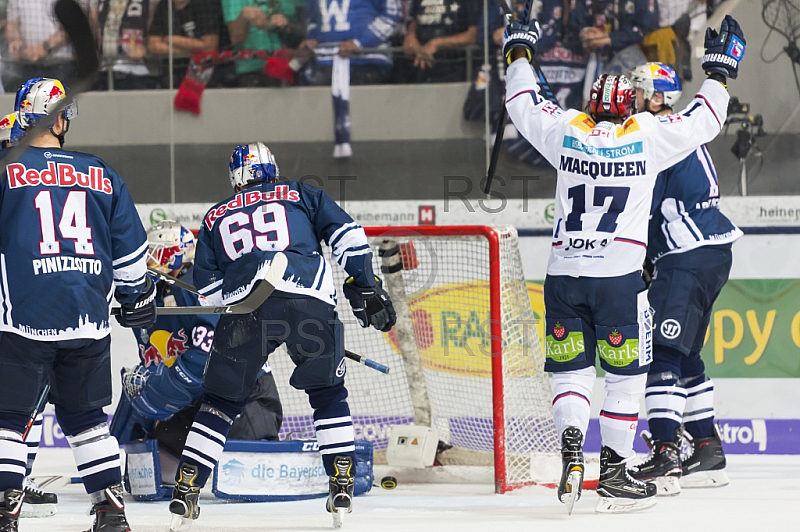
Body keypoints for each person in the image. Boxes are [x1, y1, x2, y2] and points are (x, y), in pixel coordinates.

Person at [501, 14, 745, 513]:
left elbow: (522, 103)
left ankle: (572, 449)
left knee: (569, 373)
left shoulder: (566, 131)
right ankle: (612, 472)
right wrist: (719, 71)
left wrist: (519, 51)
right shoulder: (649, 136)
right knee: (626, 378)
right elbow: (706, 120)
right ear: (629, 106)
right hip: (619, 281)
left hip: (562, 276)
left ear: (590, 104)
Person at [166, 142, 396, 530]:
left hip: (246, 307)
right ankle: (340, 476)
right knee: (327, 392)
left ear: (237, 177)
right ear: (272, 169)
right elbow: (348, 234)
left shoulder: (214, 216)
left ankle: (187, 485)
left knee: (220, 403)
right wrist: (364, 281)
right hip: (308, 298)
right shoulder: (304, 193)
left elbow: (210, 291)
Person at [0, 77, 157, 530]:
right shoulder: (100, 172)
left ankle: (5, 507)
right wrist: (136, 298)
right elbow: (129, 255)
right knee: (86, 418)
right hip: (88, 319)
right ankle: (110, 511)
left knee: (8, 416)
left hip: (22, 317)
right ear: (61, 118)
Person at [627, 62, 739, 495]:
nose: (630, 100)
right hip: (710, 250)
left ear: (653, 96)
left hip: (686, 252)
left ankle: (666, 456)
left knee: (662, 355)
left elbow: (639, 204)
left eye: (637, 92)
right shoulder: (680, 126)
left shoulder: (653, 134)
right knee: (686, 354)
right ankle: (707, 448)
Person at [111, 220, 283, 461]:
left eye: (153, 253)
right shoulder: (153, 299)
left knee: (253, 462)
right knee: (160, 462)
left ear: (174, 255)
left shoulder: (198, 285)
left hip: (243, 393)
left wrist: (166, 388)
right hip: (196, 398)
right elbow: (155, 363)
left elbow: (209, 355)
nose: (147, 262)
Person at [301, 0, 401, 85]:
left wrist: (360, 43)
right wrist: (312, 38)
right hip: (323, 64)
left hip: (368, 61)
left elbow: (391, 17)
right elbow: (312, 19)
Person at [222, 0, 306, 87]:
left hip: (290, 68)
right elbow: (236, 38)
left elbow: (305, 28)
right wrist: (243, 15)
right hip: (252, 71)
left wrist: (286, 25)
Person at [147, 0, 221, 88]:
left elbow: (209, 46)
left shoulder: (205, 4)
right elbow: (153, 46)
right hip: (172, 73)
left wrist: (173, 40)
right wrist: (192, 47)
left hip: (203, 70)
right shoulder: (165, 5)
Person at [402, 0, 479, 83]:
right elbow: (412, 28)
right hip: (421, 68)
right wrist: (413, 41)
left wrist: (437, 43)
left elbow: (473, 35)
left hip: (456, 68)